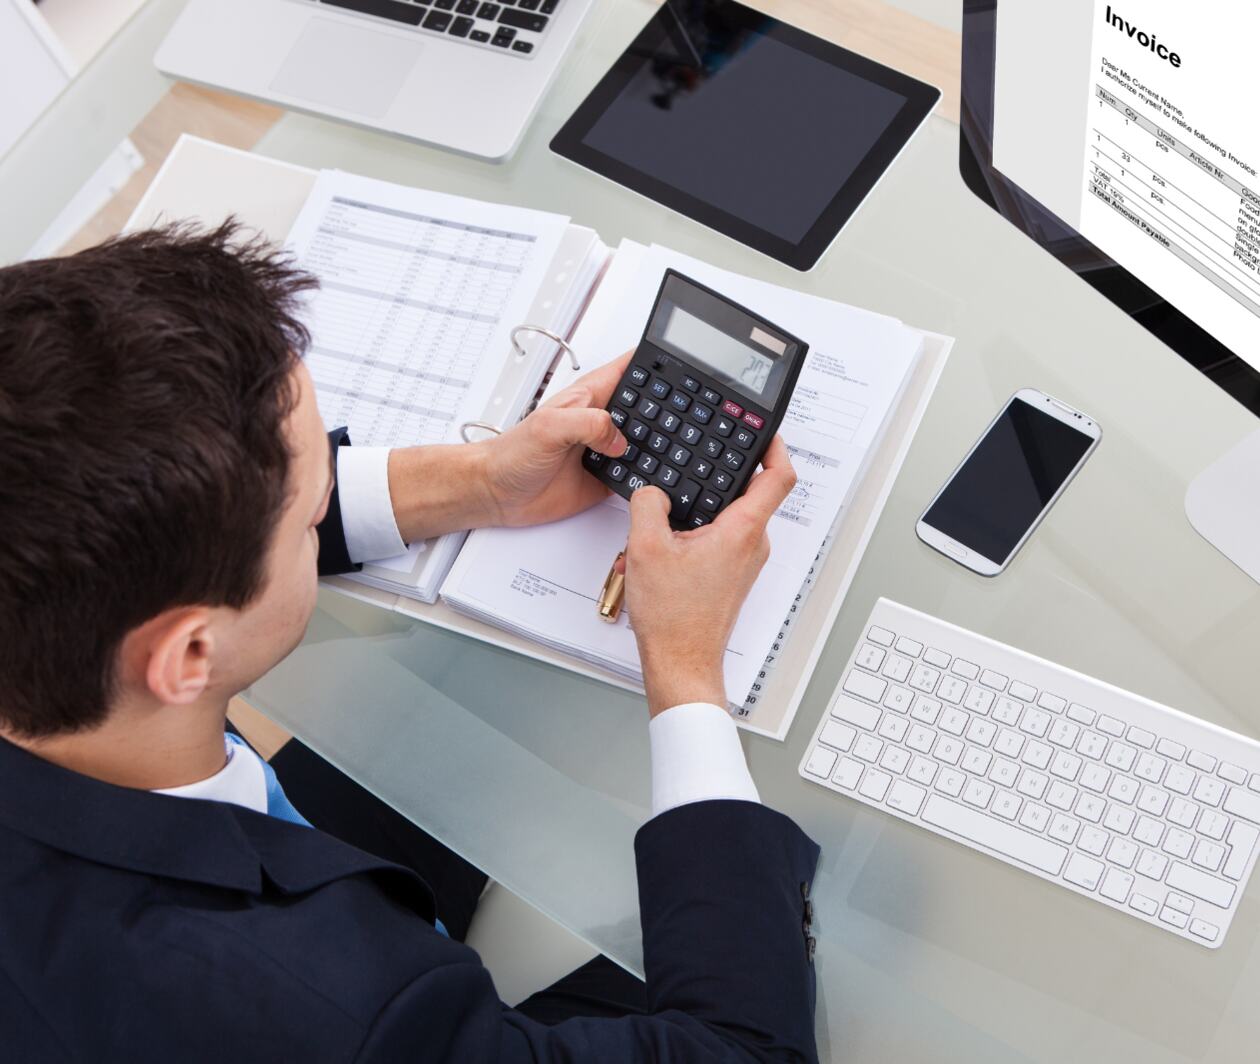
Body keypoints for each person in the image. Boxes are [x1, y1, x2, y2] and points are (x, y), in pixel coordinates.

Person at [0, 223, 821, 1062]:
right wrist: (685, 667)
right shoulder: (333, 1009)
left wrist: (483, 482)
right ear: (187, 658)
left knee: (469, 699)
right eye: (308, 505)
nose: (325, 489)